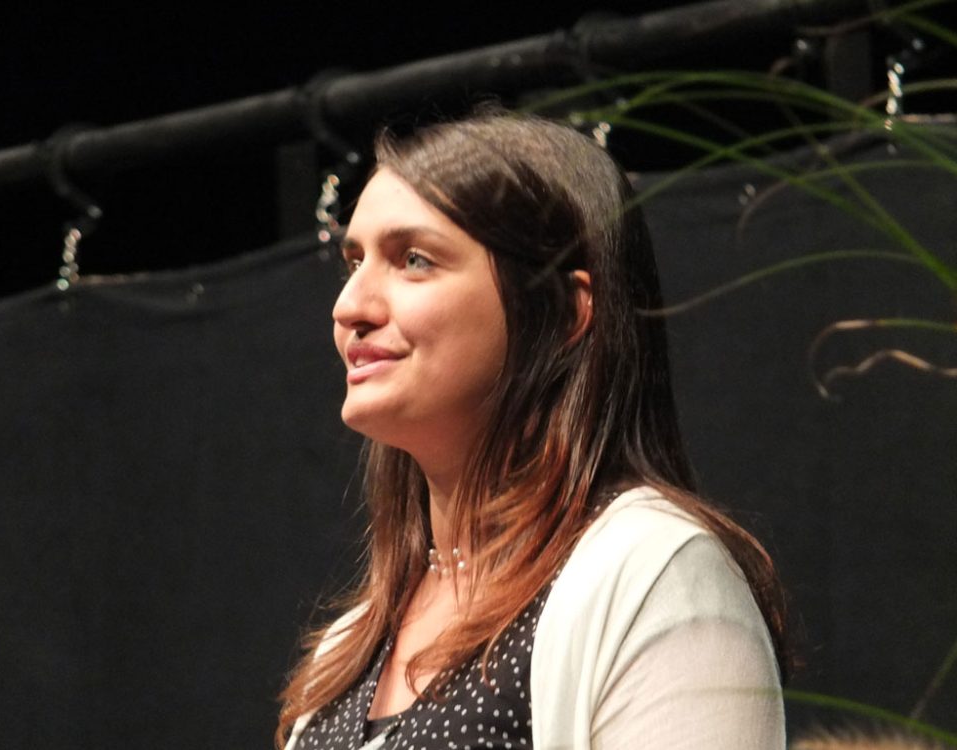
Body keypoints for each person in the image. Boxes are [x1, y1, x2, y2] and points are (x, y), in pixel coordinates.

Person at [276, 112, 789, 750]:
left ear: (564, 312)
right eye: (354, 262)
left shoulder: (653, 576)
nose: (350, 306)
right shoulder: (347, 648)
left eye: (413, 259)